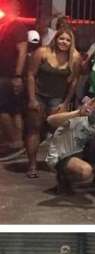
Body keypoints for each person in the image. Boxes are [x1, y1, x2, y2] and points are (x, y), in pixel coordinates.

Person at [25, 28, 80, 178]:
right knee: (34, 129)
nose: (64, 42)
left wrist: (66, 102)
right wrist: (31, 99)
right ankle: (32, 164)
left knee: (59, 132)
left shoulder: (75, 57)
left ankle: (56, 162)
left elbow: (74, 81)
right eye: (61, 39)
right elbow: (30, 75)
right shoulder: (42, 52)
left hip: (58, 98)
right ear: (55, 39)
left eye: (68, 40)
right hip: (38, 95)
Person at [45, 96, 95, 193]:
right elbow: (50, 120)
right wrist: (78, 113)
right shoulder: (78, 117)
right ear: (91, 107)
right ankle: (63, 179)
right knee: (86, 171)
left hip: (80, 152)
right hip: (61, 155)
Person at [0, 0, 28, 158]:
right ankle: (17, 144)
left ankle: (15, 143)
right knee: (13, 110)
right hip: (6, 76)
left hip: (8, 76)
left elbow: (22, 51)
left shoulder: (17, 26)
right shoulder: (5, 26)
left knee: (3, 110)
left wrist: (17, 75)